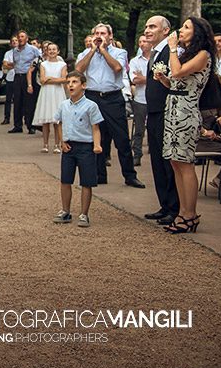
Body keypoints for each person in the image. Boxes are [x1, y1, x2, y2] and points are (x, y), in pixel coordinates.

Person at [157, 17, 215, 234]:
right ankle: (182, 211)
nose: (181, 30)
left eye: (186, 27)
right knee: (175, 162)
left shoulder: (203, 55)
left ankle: (190, 214)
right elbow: (175, 80)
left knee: (185, 162)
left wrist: (172, 49)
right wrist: (163, 79)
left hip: (186, 113)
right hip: (172, 110)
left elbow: (180, 72)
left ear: (198, 32)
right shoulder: (188, 54)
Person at [75, 23, 144, 189]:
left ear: (110, 36)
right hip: (92, 97)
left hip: (112, 98)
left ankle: (130, 175)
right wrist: (93, 50)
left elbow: (117, 68)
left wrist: (104, 50)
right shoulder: (86, 52)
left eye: (103, 33)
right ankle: (99, 175)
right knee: (96, 137)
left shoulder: (120, 52)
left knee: (121, 138)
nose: (99, 36)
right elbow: (78, 70)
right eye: (96, 33)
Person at [52, 71, 104, 228]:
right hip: (69, 147)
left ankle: (84, 214)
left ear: (84, 86)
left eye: (74, 82)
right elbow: (58, 122)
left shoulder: (91, 106)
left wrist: (96, 144)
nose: (70, 85)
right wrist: (62, 141)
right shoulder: (63, 105)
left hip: (86, 147)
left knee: (86, 182)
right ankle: (66, 211)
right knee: (65, 180)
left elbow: (96, 127)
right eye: (69, 82)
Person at [142, 15, 180, 225]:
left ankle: (174, 208)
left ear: (165, 31)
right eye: (146, 26)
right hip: (154, 111)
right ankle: (164, 204)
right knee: (156, 159)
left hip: (167, 111)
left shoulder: (170, 51)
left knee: (167, 161)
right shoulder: (154, 52)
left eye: (152, 26)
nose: (147, 30)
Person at [32, 42, 68, 154]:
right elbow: (42, 80)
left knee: (57, 121)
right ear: (46, 51)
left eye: (54, 49)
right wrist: (53, 79)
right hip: (46, 93)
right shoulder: (43, 65)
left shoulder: (62, 65)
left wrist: (50, 78)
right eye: (49, 49)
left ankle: (57, 144)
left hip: (57, 92)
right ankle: (45, 144)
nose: (52, 51)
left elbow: (64, 79)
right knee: (46, 119)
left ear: (58, 51)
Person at [4, 31, 41, 134]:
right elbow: (15, 63)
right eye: (19, 37)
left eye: (22, 37)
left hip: (28, 76)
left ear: (27, 39)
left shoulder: (33, 49)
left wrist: (35, 68)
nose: (20, 39)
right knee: (17, 101)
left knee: (29, 101)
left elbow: (41, 59)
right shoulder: (15, 51)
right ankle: (17, 125)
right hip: (17, 76)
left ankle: (30, 125)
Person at [128, 35, 153, 167]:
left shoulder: (157, 58)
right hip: (140, 99)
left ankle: (155, 153)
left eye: (145, 41)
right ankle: (137, 154)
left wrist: (143, 78)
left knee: (155, 128)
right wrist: (152, 79)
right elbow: (134, 80)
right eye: (140, 42)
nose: (142, 44)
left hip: (155, 99)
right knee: (139, 129)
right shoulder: (135, 61)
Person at [0, 36, 17, 125]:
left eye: (16, 40)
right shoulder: (8, 53)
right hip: (10, 78)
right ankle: (7, 118)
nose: (14, 42)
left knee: (19, 99)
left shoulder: (22, 52)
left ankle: (22, 118)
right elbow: (5, 65)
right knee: (8, 99)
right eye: (12, 41)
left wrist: (11, 64)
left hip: (19, 78)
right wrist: (15, 64)